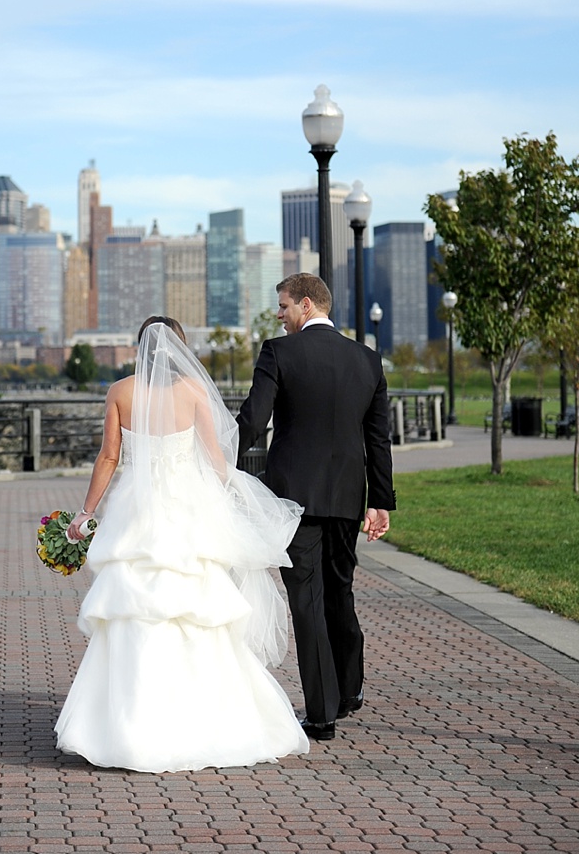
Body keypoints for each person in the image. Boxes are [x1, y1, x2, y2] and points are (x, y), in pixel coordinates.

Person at [54, 316, 311, 773]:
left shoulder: (120, 392)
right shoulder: (193, 392)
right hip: (187, 511)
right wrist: (226, 503)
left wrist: (86, 512)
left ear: (140, 349)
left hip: (137, 513)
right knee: (198, 612)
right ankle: (207, 721)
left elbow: (109, 457)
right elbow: (215, 459)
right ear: (180, 350)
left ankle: (129, 727)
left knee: (135, 611)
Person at [236, 272, 394, 741]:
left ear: (306, 304)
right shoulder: (368, 361)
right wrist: (380, 502)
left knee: (306, 601)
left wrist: (216, 457)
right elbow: (377, 439)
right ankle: (350, 689)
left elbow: (254, 420)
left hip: (294, 499)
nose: (279, 315)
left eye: (283, 306)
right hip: (348, 496)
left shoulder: (278, 353)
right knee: (339, 592)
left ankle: (322, 714)